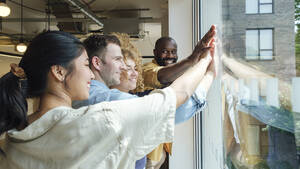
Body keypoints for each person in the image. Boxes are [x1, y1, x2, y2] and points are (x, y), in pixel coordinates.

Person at [0, 30, 215, 169]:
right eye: (86, 65)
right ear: (58, 72)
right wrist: (207, 66)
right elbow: (177, 96)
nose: (91, 74)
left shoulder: (10, 141)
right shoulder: (98, 121)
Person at [72, 33, 213, 169]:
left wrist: (195, 61)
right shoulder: (103, 99)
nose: (122, 67)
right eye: (117, 59)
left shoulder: (96, 94)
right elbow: (173, 107)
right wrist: (207, 67)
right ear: (97, 62)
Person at [143, 31, 216, 169]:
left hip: (159, 150)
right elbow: (163, 77)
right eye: (165, 51)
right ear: (155, 52)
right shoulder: (146, 70)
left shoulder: (179, 73)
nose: (170, 56)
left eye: (173, 52)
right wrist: (196, 61)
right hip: (146, 152)